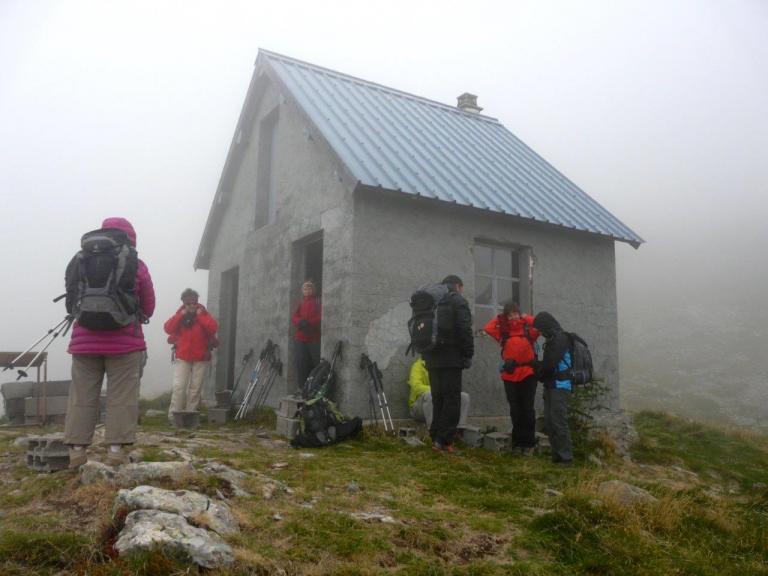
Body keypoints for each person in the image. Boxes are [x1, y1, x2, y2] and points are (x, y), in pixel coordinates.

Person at [64, 217, 155, 468]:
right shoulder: (136, 265)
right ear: (130, 238)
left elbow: (71, 300)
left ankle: (77, 453)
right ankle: (116, 453)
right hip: (124, 344)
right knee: (121, 397)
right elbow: (149, 306)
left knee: (82, 396)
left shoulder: (81, 260)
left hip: (84, 343)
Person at [421, 275, 474, 453]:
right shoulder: (457, 300)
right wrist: (468, 353)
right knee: (452, 399)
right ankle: (445, 441)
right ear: (458, 286)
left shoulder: (431, 301)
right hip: (451, 358)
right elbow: (465, 329)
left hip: (431, 358)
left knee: (438, 399)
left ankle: (436, 438)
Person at [483, 301, 540, 455]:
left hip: (528, 373)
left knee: (527, 409)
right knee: (515, 409)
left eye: (515, 313)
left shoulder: (529, 330)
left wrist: (525, 317)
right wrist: (500, 318)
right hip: (510, 375)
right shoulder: (504, 333)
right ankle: (517, 441)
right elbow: (487, 328)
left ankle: (528, 443)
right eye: (509, 314)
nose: (513, 317)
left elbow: (539, 324)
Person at [164, 289, 218, 420]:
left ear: (197, 302)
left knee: (195, 388)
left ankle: (190, 415)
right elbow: (167, 328)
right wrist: (180, 315)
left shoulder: (204, 314)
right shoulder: (180, 315)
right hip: (183, 356)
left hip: (201, 356)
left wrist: (200, 316)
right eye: (188, 303)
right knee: (179, 387)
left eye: (194, 302)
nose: (192, 305)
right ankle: (174, 416)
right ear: (184, 303)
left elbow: (213, 328)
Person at [533, 311, 574, 465]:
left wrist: (538, 371)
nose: (540, 333)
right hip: (551, 385)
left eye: (541, 329)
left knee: (558, 421)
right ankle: (557, 456)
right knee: (550, 422)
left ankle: (566, 458)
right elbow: (548, 364)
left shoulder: (560, 339)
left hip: (560, 386)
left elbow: (550, 364)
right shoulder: (553, 339)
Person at [408, 356, 470, 430]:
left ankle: (459, 430)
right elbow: (416, 386)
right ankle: (433, 431)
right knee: (430, 395)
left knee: (464, 396)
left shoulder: (444, 367)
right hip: (419, 409)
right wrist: (437, 390)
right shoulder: (417, 366)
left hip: (442, 407)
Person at [291, 280, 322, 388]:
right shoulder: (300, 303)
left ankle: (315, 387)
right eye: (305, 289)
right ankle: (302, 387)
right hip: (300, 338)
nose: (307, 291)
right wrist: (299, 321)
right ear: (302, 291)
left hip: (314, 338)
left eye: (309, 288)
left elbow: (320, 316)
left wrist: (310, 322)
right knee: (301, 363)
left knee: (316, 362)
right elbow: (294, 317)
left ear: (313, 290)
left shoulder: (317, 302)